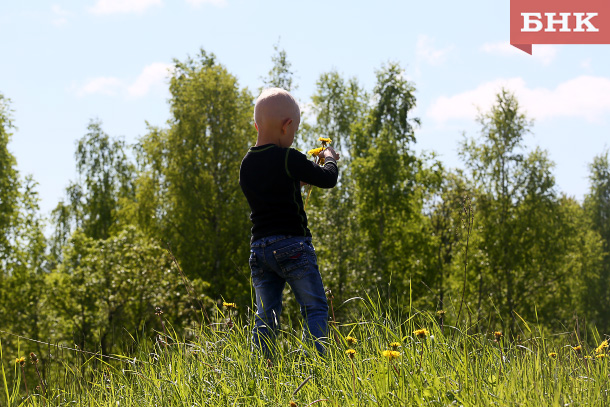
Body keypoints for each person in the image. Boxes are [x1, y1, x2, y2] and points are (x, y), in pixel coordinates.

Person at [239, 87, 340, 358]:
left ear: (257, 125)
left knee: (266, 315)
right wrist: (329, 157)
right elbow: (328, 179)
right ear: (287, 126)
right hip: (292, 245)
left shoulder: (246, 164)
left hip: (259, 250)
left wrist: (298, 179)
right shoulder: (288, 157)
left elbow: (272, 189)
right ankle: (317, 366)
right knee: (314, 307)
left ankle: (263, 370)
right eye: (294, 130)